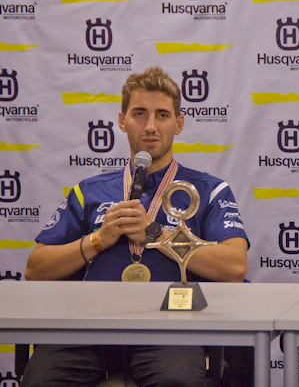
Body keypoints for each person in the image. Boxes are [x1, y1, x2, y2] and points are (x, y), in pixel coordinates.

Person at [22, 66, 249, 387]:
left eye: (162, 115)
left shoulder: (208, 190)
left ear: (179, 123)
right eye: (139, 114)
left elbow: (235, 268)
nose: (151, 126)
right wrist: (98, 240)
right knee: (40, 381)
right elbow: (35, 269)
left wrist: (156, 234)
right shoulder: (89, 191)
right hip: (89, 330)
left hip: (170, 331)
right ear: (122, 120)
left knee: (177, 381)